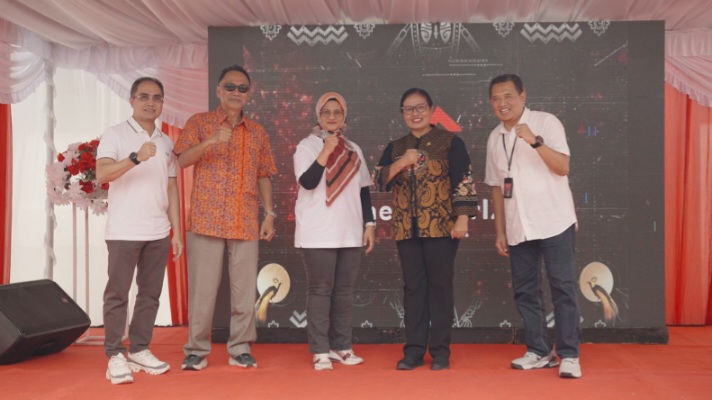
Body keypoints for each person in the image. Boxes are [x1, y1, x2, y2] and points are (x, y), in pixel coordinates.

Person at [174, 65, 277, 371]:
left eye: (242, 88)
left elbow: (264, 174)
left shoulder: (257, 131)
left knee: (244, 292)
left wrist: (269, 214)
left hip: (244, 220)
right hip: (206, 219)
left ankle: (241, 348)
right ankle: (195, 350)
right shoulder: (200, 122)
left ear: (249, 94)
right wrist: (210, 141)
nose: (236, 92)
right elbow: (182, 159)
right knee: (203, 291)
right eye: (230, 87)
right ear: (218, 91)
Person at [484, 73, 582, 379]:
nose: (502, 103)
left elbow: (562, 167)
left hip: (554, 221)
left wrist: (535, 142)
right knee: (526, 291)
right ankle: (539, 351)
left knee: (563, 288)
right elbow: (497, 187)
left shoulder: (546, 122)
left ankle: (569, 354)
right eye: (496, 98)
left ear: (522, 96)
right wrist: (500, 231)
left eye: (508, 96)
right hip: (518, 226)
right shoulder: (494, 137)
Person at [373, 88, 478, 371]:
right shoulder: (396, 146)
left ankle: (441, 351)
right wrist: (402, 161)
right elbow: (378, 180)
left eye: (420, 107)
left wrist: (463, 219)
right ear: (402, 114)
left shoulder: (449, 142)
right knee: (413, 288)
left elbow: (464, 181)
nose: (415, 113)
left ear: (432, 110)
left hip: (441, 227)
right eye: (409, 109)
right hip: (406, 229)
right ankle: (414, 351)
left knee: (440, 287)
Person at [96, 77, 183, 385]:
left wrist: (176, 231)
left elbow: (171, 187)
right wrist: (135, 157)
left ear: (162, 103)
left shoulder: (166, 141)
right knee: (118, 293)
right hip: (124, 229)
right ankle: (114, 354)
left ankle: (139, 349)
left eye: (157, 97)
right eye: (144, 96)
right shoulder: (115, 134)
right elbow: (102, 174)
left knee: (150, 294)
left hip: (158, 230)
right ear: (132, 100)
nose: (150, 102)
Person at [293, 92, 376, 371]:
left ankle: (342, 346)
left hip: (350, 230)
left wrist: (369, 224)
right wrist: (326, 151)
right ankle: (320, 350)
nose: (332, 117)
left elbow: (364, 190)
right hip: (317, 231)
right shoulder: (307, 146)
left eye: (337, 112)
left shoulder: (353, 148)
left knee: (344, 292)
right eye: (326, 112)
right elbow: (307, 182)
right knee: (320, 290)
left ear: (344, 116)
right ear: (318, 116)